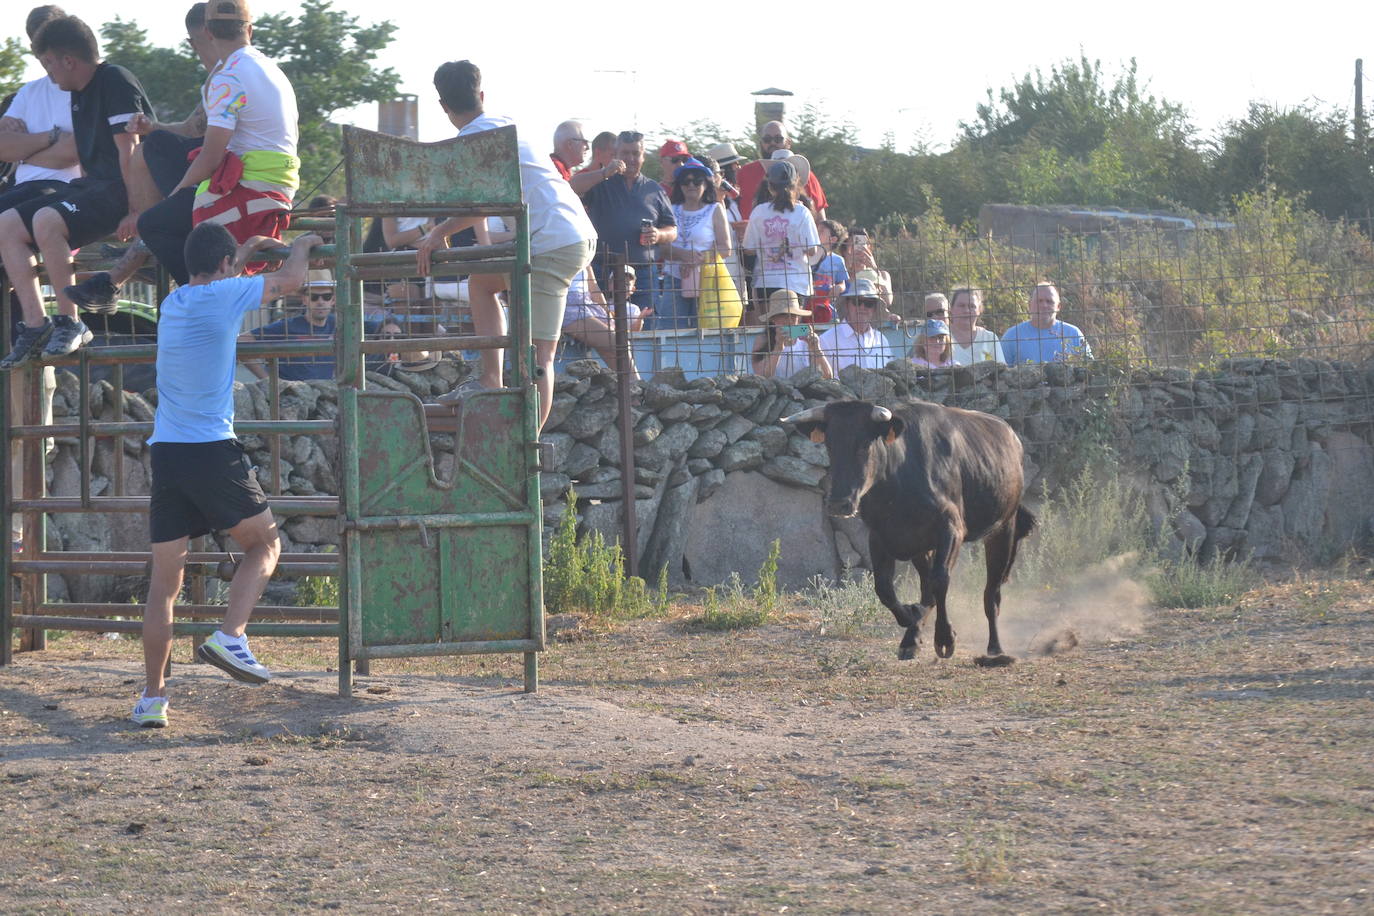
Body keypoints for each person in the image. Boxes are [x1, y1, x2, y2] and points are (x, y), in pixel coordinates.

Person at [131, 222, 321, 728]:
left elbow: (225, 279)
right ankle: (231, 636)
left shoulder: (173, 302)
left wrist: (246, 250)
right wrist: (303, 245)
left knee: (164, 585)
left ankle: (152, 699)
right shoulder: (227, 296)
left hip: (167, 452)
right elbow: (292, 281)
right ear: (224, 265)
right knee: (266, 544)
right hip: (211, 450)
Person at [413, 60, 597, 431]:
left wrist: (436, 232)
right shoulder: (505, 124)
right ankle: (490, 380)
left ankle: (527, 447)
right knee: (482, 283)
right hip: (565, 232)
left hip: (552, 241)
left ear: (443, 106)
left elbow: (483, 204)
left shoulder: (472, 142)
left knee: (538, 356)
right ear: (481, 95)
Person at [0, 15, 151, 369]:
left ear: (68, 60)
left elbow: (130, 150)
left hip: (123, 186)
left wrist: (136, 209)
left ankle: (70, 321)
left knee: (47, 219)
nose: (49, 74)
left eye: (48, 63)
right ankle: (36, 326)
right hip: (93, 185)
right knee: (6, 224)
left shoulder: (114, 79)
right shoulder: (78, 92)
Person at [134, 0, 300, 288]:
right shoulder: (270, 68)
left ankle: (203, 293)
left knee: (153, 224)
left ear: (208, 32)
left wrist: (175, 196)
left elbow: (211, 157)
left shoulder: (228, 78)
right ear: (249, 30)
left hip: (251, 187)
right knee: (159, 145)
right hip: (276, 181)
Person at [65, 2, 218, 311]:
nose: (199, 51)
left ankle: (139, 253)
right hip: (212, 172)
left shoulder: (231, 74)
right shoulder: (220, 77)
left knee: (151, 147)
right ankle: (141, 251)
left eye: (199, 43)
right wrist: (152, 126)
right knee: (147, 146)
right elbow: (193, 127)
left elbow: (207, 137)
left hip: (226, 177)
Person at [581, 130, 676, 312]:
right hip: (603, 270)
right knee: (603, 323)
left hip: (643, 273)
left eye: (635, 153)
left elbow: (672, 229)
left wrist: (658, 234)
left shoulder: (654, 189)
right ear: (615, 155)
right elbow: (571, 187)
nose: (631, 158)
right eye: (625, 153)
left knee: (645, 325)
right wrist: (604, 172)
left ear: (643, 156)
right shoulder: (600, 182)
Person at [0, 6, 79, 215]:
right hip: (20, 188)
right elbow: (2, 147)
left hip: (65, 190)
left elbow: (71, 153)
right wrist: (52, 137)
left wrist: (23, 152)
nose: (46, 54)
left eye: (51, 43)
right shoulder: (28, 92)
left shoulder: (84, 88)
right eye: (40, 46)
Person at [656, 156, 731, 329]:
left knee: (707, 332)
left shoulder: (715, 209)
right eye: (685, 181)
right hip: (674, 278)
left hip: (707, 280)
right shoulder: (670, 209)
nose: (691, 185)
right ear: (679, 185)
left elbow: (726, 249)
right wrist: (685, 256)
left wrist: (695, 260)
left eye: (697, 181)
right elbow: (662, 247)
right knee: (671, 332)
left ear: (706, 183)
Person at [742, 159, 820, 310]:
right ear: (796, 184)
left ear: (770, 186)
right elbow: (812, 249)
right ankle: (801, 329)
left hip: (766, 282)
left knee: (770, 322)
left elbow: (749, 249)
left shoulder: (759, 212)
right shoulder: (802, 212)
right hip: (796, 282)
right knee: (793, 322)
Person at [239, 268, 338, 380]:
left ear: (333, 300)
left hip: (323, 388)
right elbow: (240, 341)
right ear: (304, 300)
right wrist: (266, 379)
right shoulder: (287, 326)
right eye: (314, 297)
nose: (320, 302)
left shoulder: (336, 325)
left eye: (326, 297)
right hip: (292, 389)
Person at [733, 121, 828, 222]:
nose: (772, 143)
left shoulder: (804, 175)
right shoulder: (745, 173)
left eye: (778, 139)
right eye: (767, 139)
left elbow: (820, 219)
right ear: (761, 143)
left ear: (788, 142)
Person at [1000, 281, 1092, 364]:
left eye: (1049, 301)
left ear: (1058, 307)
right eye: (1039, 301)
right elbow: (1000, 373)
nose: (1044, 305)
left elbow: (1089, 368)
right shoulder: (1012, 336)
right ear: (1030, 305)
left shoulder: (1073, 334)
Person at [816, 274, 893, 372]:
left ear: (874, 309)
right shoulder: (827, 340)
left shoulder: (881, 340)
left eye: (868, 303)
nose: (862, 307)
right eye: (857, 302)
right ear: (847, 305)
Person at [751, 289, 832, 380]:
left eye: (793, 315)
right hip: (775, 389)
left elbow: (827, 376)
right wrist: (778, 348)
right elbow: (762, 377)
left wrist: (816, 349)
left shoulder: (805, 341)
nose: (789, 320)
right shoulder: (763, 340)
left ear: (799, 317)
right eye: (783, 315)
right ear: (773, 319)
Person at [947, 286, 1005, 366]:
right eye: (961, 306)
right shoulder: (941, 337)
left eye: (972, 306)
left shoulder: (990, 338)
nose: (966, 310)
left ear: (979, 310)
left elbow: (1001, 370)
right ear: (951, 308)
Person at [810, 219, 850, 324]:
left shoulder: (838, 260)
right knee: (808, 326)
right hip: (809, 303)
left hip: (827, 304)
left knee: (829, 326)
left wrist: (838, 288)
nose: (816, 233)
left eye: (821, 231)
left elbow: (842, 283)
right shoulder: (808, 256)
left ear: (833, 239)